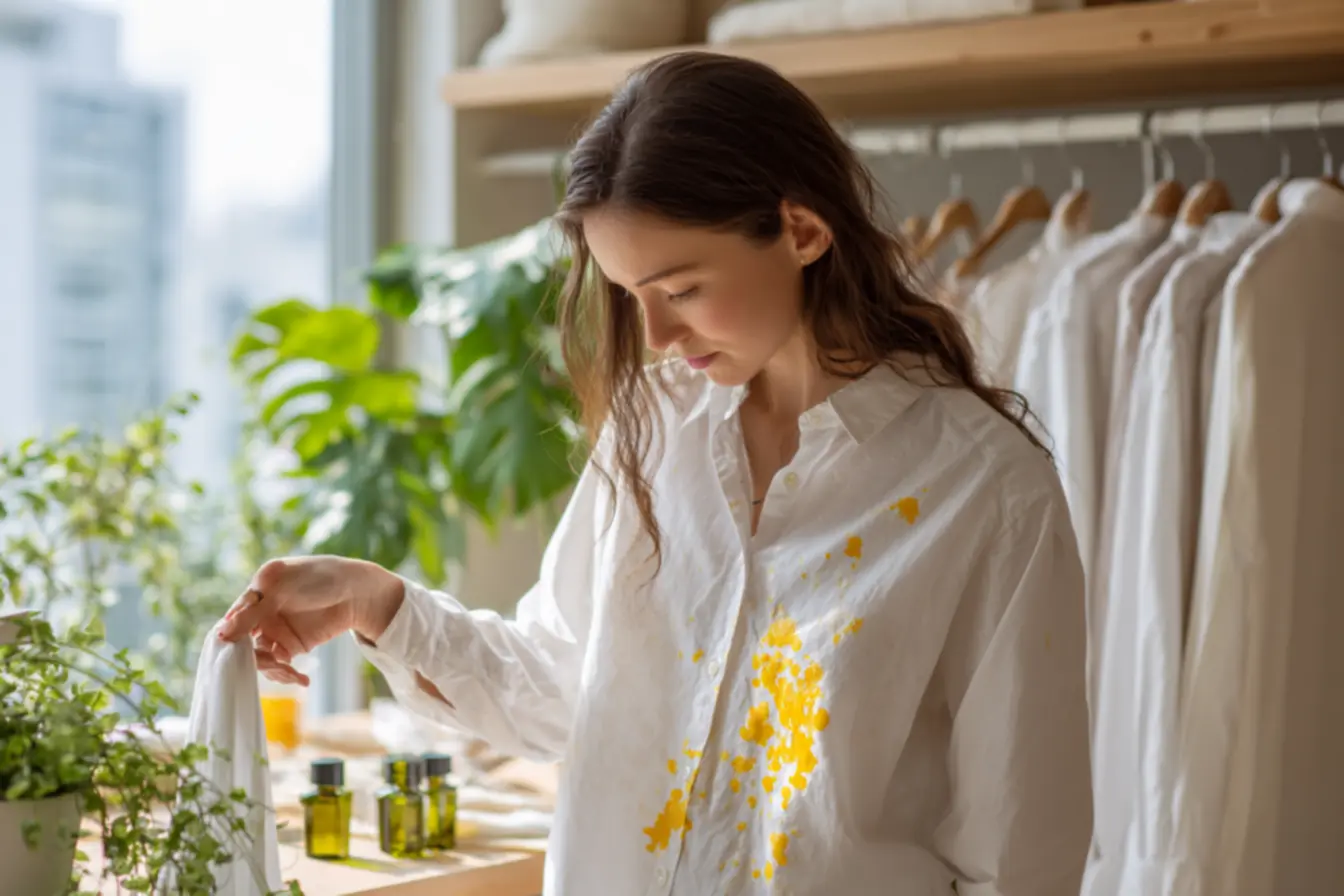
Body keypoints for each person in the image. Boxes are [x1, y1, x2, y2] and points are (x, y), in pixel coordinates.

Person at [219, 51, 1091, 895]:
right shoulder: (657, 429)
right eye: (631, 294)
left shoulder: (986, 489)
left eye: (681, 289)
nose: (658, 338)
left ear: (803, 230)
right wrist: (380, 605)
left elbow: (1016, 855)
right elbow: (563, 690)